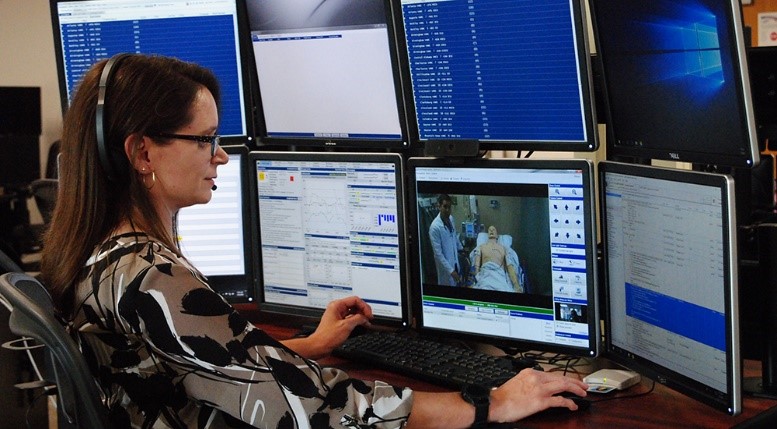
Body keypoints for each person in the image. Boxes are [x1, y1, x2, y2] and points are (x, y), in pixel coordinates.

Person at [40, 53, 588, 429]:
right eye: (205, 139)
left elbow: (194, 367)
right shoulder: (152, 278)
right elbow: (313, 408)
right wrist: (488, 402)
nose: (221, 156)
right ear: (142, 153)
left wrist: (308, 347)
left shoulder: (106, 254)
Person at [472, 225, 524, 293]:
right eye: (489, 229)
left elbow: (509, 266)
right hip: (486, 274)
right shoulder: (481, 247)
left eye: (493, 229)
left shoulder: (504, 248)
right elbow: (476, 265)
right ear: (487, 235)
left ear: (497, 235)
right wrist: (475, 281)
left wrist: (516, 285)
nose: (491, 230)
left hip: (499, 274)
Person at [429, 194, 464, 286]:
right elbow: (438, 254)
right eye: (445, 207)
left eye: (449, 207)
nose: (448, 210)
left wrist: (461, 248)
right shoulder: (434, 227)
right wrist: (451, 271)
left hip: (455, 263)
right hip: (446, 270)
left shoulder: (451, 219)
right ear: (439, 206)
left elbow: (454, 237)